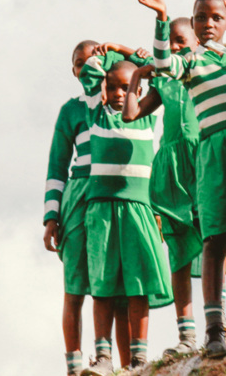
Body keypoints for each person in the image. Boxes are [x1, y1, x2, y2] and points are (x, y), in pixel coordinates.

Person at [135, 0, 226, 358]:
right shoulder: (191, 62)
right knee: (214, 238)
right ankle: (214, 328)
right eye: (201, 18)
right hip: (212, 151)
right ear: (193, 24)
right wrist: (162, 18)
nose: (208, 23)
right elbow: (163, 65)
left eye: (216, 18)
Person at [121, 18, 226, 358]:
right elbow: (130, 115)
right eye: (173, 43)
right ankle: (186, 333)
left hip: (203, 158)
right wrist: (137, 75)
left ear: (195, 41)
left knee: (212, 238)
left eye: (181, 41)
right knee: (178, 250)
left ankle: (217, 325)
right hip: (171, 167)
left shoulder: (200, 72)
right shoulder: (164, 82)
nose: (176, 48)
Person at [44, 41, 147, 374]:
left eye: (93, 61)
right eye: (78, 64)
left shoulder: (126, 103)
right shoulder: (72, 110)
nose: (86, 67)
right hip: (80, 196)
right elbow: (57, 165)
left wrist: (122, 52)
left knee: (117, 286)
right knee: (75, 285)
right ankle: (75, 366)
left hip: (119, 194)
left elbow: (144, 68)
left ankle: (127, 366)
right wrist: (51, 217)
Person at [77, 54, 172, 376]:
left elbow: (163, 73)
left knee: (138, 285)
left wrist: (139, 64)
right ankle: (103, 358)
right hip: (102, 210)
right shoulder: (96, 115)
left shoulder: (145, 116)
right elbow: (89, 70)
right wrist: (113, 49)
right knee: (102, 286)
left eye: (127, 87)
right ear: (103, 89)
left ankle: (139, 359)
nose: (120, 94)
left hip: (138, 210)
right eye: (113, 87)